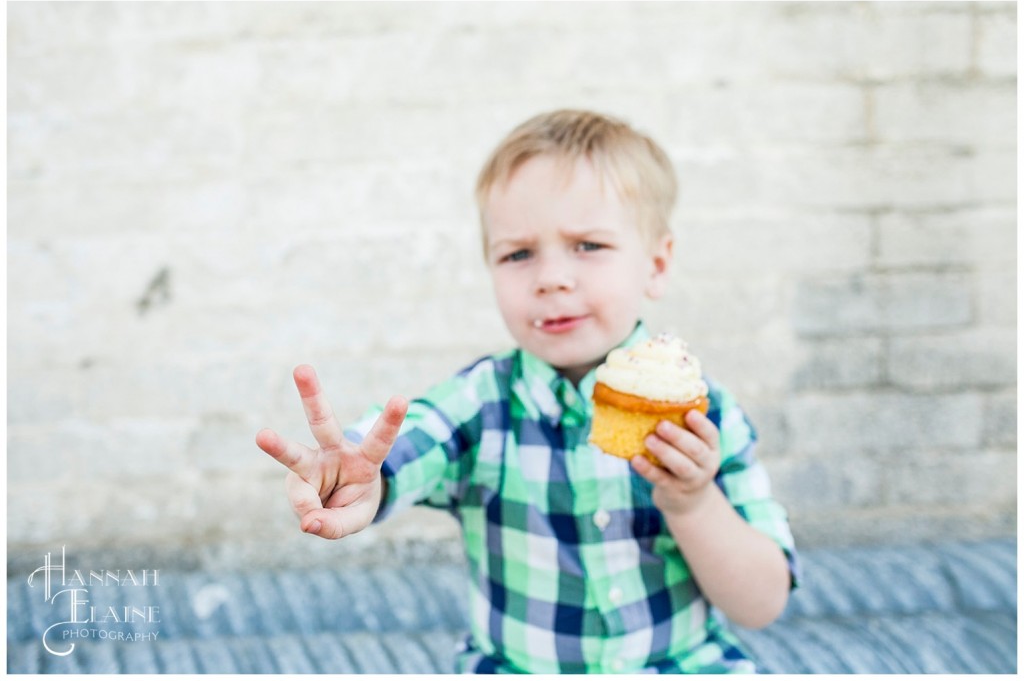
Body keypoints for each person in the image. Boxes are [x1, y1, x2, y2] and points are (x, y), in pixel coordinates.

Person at [255, 109, 800, 674]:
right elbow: (406, 444)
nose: (551, 277)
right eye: (518, 254)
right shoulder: (482, 404)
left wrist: (692, 500)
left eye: (588, 245)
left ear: (656, 264)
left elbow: (760, 604)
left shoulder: (704, 419)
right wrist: (357, 477)